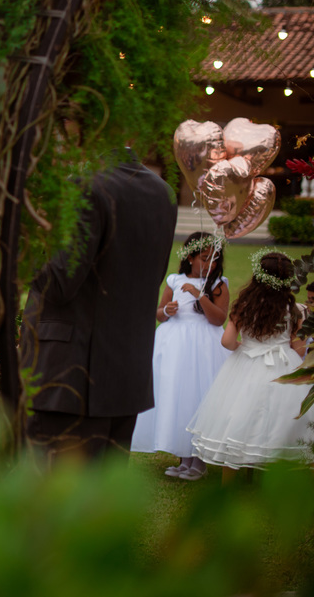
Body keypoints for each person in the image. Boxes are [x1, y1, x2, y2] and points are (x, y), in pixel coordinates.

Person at [20, 149, 175, 462]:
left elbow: (60, 282)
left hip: (69, 378)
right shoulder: (162, 192)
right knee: (101, 502)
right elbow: (152, 278)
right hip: (126, 375)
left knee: (54, 500)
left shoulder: (86, 184)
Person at [187, 250, 312, 475]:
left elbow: (227, 341)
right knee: (281, 420)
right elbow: (298, 347)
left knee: (239, 419)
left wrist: (243, 349)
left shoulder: (244, 306)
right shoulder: (294, 310)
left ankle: (231, 480)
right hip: (284, 367)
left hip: (247, 364)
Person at [131, 232, 231, 480]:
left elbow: (219, 318)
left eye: (215, 259)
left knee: (199, 394)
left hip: (204, 344)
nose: (210, 264)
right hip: (175, 344)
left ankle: (199, 461)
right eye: (205, 258)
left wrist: (200, 296)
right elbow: (159, 313)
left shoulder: (219, 284)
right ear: (190, 257)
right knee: (178, 395)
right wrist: (167, 309)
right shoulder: (174, 280)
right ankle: (184, 458)